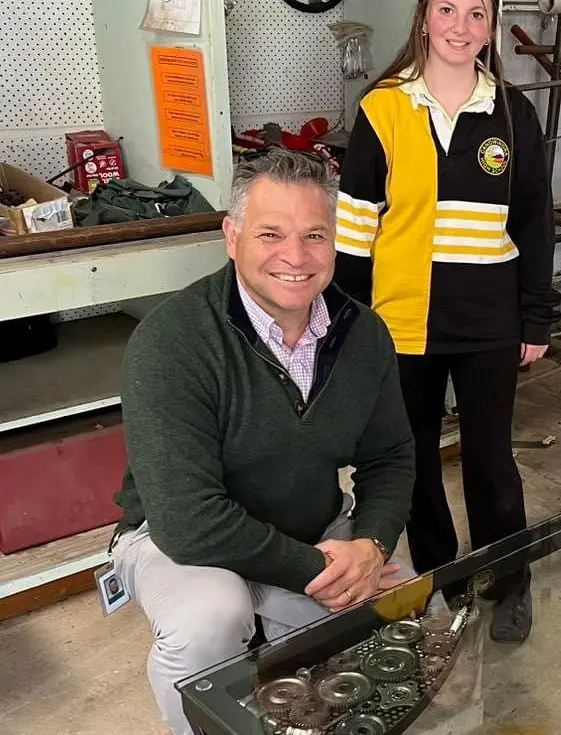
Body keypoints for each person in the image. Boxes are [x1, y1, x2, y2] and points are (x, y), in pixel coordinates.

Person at [109, 149, 416, 735]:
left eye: (314, 235)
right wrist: (320, 570)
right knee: (210, 618)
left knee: (398, 617)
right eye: (270, 233)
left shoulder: (364, 334)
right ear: (232, 236)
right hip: (179, 542)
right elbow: (187, 521)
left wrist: (372, 545)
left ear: (335, 241)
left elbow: (390, 456)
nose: (295, 256)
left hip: (307, 525)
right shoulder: (171, 341)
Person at [332, 0, 561, 643]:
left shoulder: (513, 113)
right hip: (402, 322)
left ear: (491, 27)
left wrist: (536, 317)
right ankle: (442, 575)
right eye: (447, 9)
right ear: (424, 19)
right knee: (412, 460)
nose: (461, 27)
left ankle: (509, 580)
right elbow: (355, 226)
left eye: (477, 14)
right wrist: (348, 323)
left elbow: (534, 222)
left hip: (490, 322)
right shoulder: (383, 107)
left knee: (491, 459)